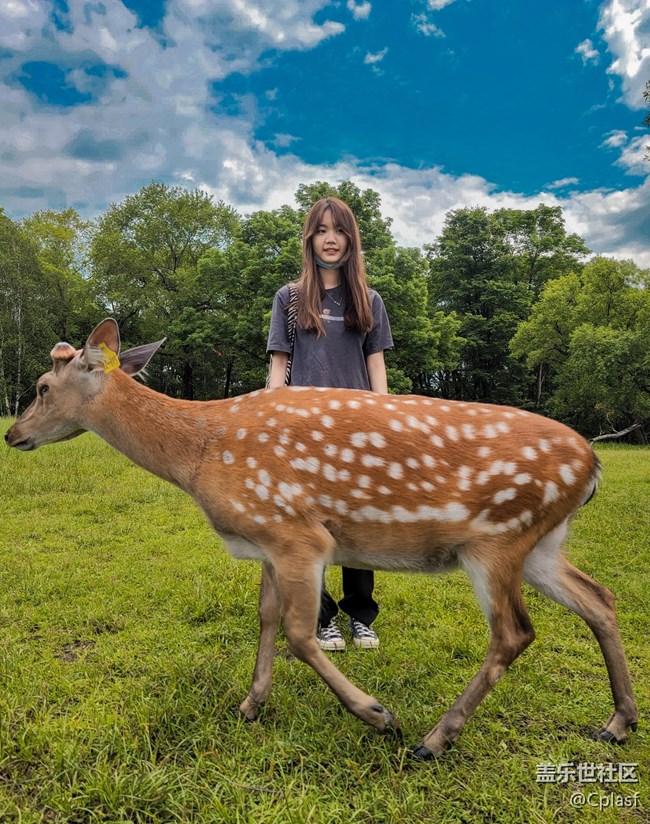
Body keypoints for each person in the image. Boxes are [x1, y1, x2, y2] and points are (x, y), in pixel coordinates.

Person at [266, 196, 394, 651]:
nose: (331, 238)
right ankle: (323, 618)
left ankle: (361, 615)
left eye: (338, 229)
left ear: (351, 239)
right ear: (310, 239)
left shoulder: (369, 299)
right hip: (304, 431)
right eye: (321, 230)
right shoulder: (291, 298)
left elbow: (375, 365)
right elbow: (279, 365)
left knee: (357, 523)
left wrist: (386, 419)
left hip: (358, 429)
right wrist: (273, 420)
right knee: (309, 524)